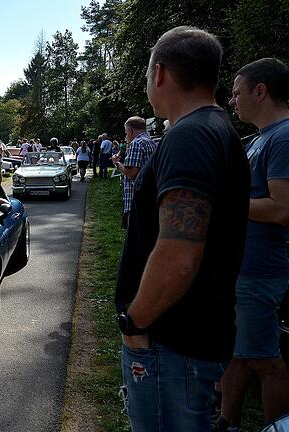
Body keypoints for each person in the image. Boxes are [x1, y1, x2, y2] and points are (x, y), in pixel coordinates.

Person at [114, 26, 250, 431]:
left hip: (169, 343)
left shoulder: (189, 136)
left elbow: (179, 254)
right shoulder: (216, 129)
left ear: (159, 74)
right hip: (190, 338)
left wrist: (134, 322)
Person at [217, 58, 289, 431]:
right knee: (239, 351)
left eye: (236, 92)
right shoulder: (262, 138)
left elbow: (282, 209)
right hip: (244, 265)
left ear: (260, 91)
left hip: (260, 269)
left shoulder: (284, 136)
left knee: (265, 359)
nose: (232, 101)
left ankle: (275, 427)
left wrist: (223, 202)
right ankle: (226, 421)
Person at [113, 116, 157, 229]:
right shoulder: (151, 142)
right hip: (149, 195)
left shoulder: (136, 143)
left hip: (135, 197)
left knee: (134, 235)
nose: (126, 135)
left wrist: (117, 163)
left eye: (126, 132)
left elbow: (131, 173)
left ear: (131, 130)